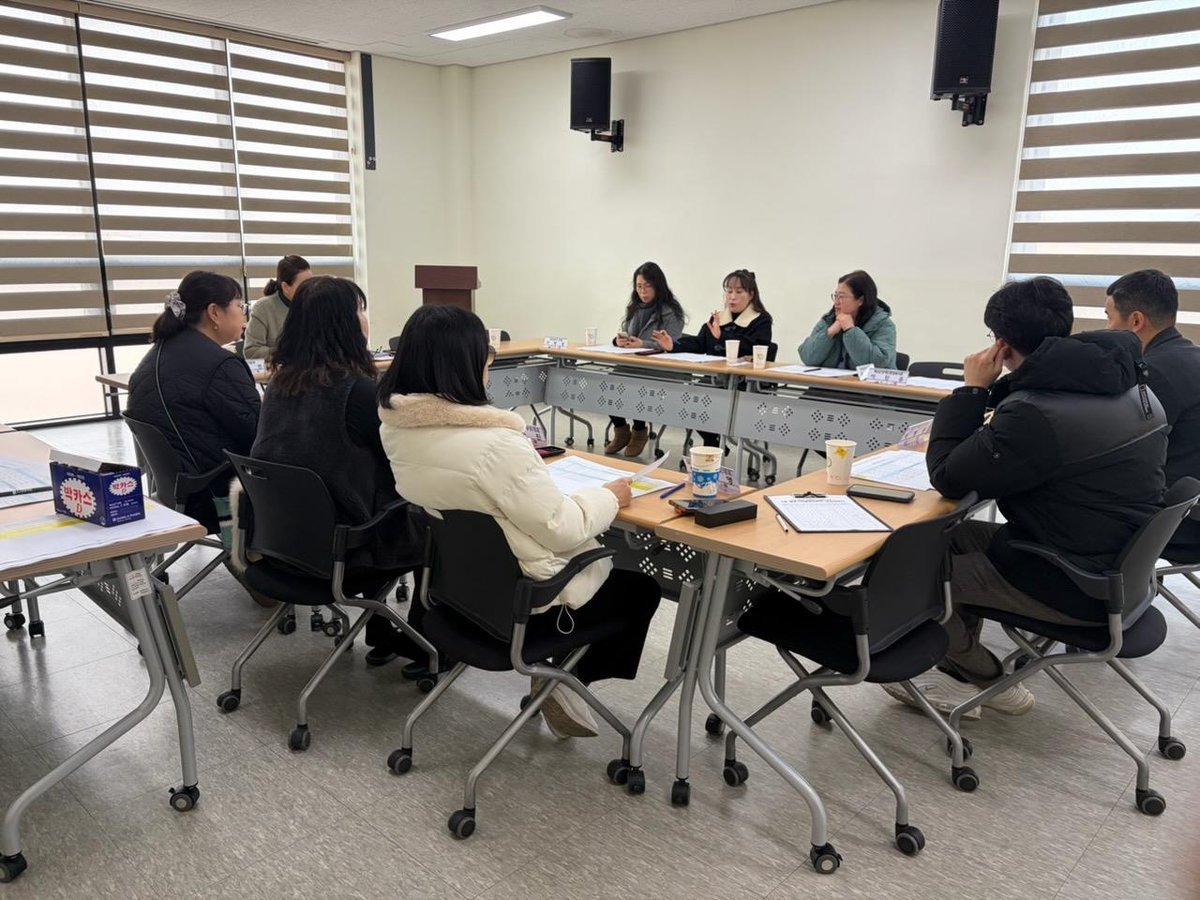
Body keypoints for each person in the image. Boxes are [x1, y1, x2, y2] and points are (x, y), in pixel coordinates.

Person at [882, 277, 1167, 716]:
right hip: (1114, 564)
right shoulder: (1132, 386)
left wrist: (973, 390)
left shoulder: (1038, 413)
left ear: (1001, 343)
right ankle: (958, 668)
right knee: (944, 538)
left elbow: (948, 477)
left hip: (1072, 580)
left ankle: (982, 680)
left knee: (910, 576)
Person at [377, 304, 662, 738]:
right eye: (485, 358)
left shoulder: (397, 431)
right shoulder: (496, 445)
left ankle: (559, 679)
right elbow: (562, 528)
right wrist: (609, 496)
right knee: (639, 590)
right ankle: (567, 679)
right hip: (524, 601)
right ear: (464, 365)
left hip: (457, 596)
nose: (489, 367)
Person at [249, 275, 429, 668]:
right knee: (435, 522)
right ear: (344, 325)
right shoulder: (356, 392)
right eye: (360, 310)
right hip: (343, 551)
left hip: (283, 544)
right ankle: (425, 641)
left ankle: (384, 628)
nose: (366, 319)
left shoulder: (279, 386)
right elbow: (403, 460)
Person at [127, 271, 260, 539]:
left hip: (179, 492)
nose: (244, 315)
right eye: (239, 306)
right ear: (214, 312)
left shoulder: (155, 356)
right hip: (218, 496)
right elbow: (260, 434)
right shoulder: (219, 364)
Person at [1105, 269, 1200, 561]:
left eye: (1109, 317)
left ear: (1136, 321)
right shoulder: (1192, 357)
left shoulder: (1152, 373)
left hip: (1175, 525)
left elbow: (1115, 450)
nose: (1107, 328)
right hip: (1188, 510)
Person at [652, 268, 773, 447]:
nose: (732, 297)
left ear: (751, 295)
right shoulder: (718, 318)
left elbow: (756, 348)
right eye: (728, 291)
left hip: (743, 385)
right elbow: (699, 343)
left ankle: (712, 446)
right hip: (715, 381)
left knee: (706, 402)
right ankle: (712, 443)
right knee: (687, 401)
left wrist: (722, 337)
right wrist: (672, 345)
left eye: (739, 292)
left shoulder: (761, 320)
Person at [605, 262, 686, 457]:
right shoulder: (634, 307)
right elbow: (629, 334)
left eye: (647, 286)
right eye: (639, 286)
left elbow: (673, 344)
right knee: (607, 384)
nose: (642, 291)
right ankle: (621, 430)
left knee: (636, 386)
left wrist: (643, 344)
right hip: (632, 364)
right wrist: (619, 341)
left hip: (659, 369)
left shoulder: (671, 311)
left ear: (658, 286)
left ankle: (639, 430)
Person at [799, 270, 896, 369]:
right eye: (835, 296)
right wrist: (829, 333)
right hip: (833, 379)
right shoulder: (828, 320)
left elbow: (877, 363)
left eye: (841, 296)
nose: (836, 302)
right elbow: (808, 358)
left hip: (866, 380)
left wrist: (850, 330)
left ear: (861, 300)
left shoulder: (883, 325)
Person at [243, 255, 312, 360]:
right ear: (285, 287)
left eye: (311, 283)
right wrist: (287, 352)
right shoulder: (263, 308)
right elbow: (251, 351)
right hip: (280, 368)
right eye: (304, 285)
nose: (310, 289)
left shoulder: (314, 304)